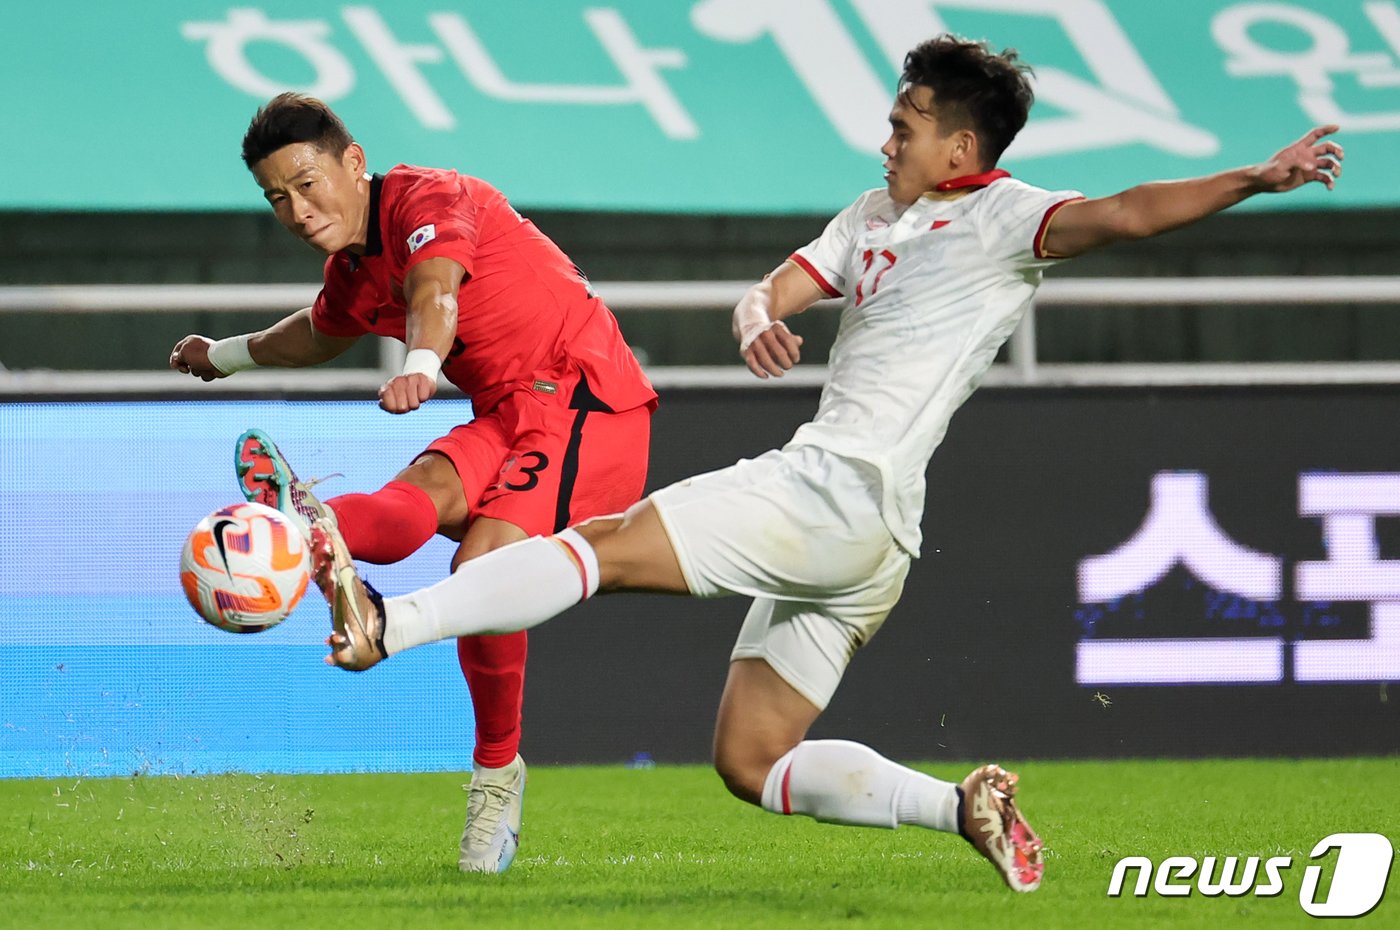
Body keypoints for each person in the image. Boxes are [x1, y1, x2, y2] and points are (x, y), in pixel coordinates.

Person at [306, 35, 1343, 891]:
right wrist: (758, 315)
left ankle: (385, 623)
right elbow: (775, 287)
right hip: (877, 540)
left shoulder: (1004, 218)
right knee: (750, 762)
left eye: (904, 125)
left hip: (836, 489)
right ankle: (959, 806)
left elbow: (1124, 211)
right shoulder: (872, 216)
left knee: (602, 545)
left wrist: (1256, 177)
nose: (884, 138)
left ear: (960, 145)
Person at [168, 93, 657, 874]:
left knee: (483, 572)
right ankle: (306, 535)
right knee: (416, 499)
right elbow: (315, 334)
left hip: (586, 398)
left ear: (353, 160)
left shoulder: (431, 197)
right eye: (276, 198)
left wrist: (422, 362)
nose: (296, 209)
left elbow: (436, 291)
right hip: (507, 412)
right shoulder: (352, 272)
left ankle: (497, 775)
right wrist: (221, 355)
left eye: (306, 182)